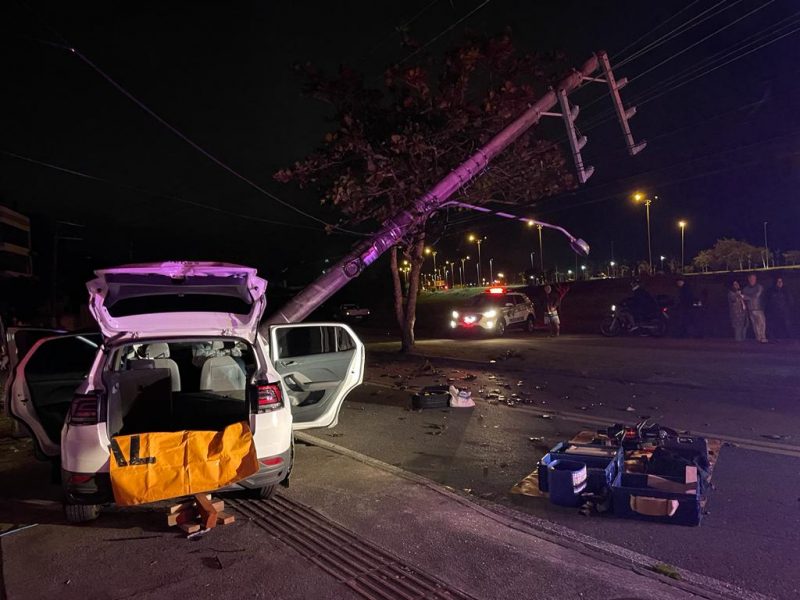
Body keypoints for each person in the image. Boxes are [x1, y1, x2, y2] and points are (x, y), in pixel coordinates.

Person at [742, 273, 767, 343]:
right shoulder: (745, 288)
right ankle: (758, 338)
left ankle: (763, 337)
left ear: (755, 279)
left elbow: (756, 295)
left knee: (761, 323)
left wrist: (748, 297)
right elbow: (744, 297)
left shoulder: (759, 287)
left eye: (753, 278)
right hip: (750, 309)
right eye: (751, 278)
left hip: (759, 309)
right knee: (755, 325)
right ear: (748, 279)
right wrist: (747, 297)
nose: (752, 280)